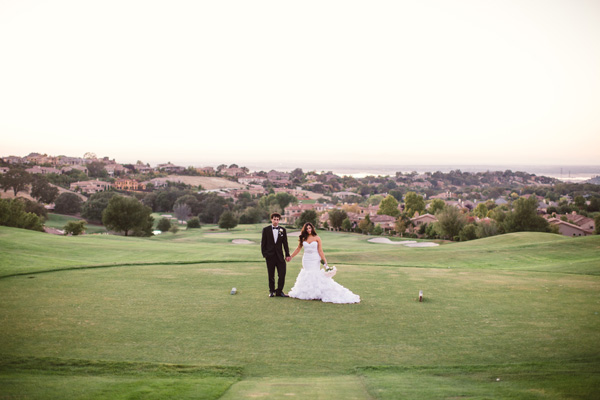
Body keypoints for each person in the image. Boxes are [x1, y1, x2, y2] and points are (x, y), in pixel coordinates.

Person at [288, 222, 360, 304]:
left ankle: (317, 293)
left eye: (310, 228)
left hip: (315, 259)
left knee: (315, 274)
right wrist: (291, 256)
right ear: (304, 229)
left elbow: (320, 250)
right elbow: (298, 249)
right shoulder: (303, 238)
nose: (309, 230)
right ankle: (309, 293)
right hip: (306, 259)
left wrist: (325, 261)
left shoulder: (317, 238)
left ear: (312, 228)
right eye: (307, 228)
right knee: (307, 274)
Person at [261, 212, 291, 297]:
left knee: (282, 274)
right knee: (271, 275)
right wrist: (265, 254)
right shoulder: (266, 230)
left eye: (277, 219)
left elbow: (285, 244)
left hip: (280, 256)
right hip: (270, 256)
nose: (276, 221)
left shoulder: (283, 230)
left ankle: (279, 291)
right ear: (271, 219)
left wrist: (287, 255)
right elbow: (263, 244)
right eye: (274, 219)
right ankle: (271, 291)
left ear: (279, 220)